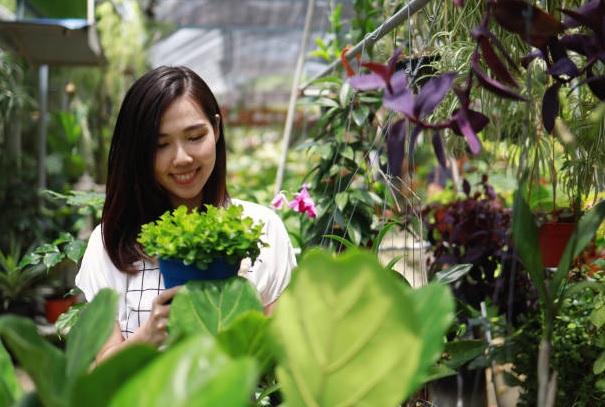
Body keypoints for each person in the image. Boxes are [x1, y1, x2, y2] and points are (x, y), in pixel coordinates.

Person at [75, 65, 296, 363]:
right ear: (138, 151)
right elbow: (102, 371)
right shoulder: (110, 243)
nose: (182, 158)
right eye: (160, 144)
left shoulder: (261, 229)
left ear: (216, 129)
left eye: (195, 137)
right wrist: (149, 334)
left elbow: (285, 350)